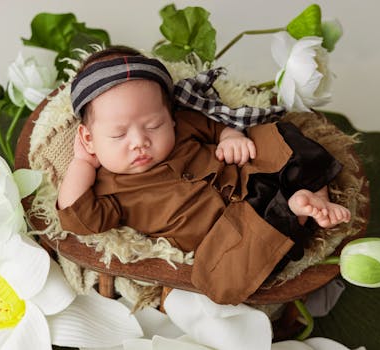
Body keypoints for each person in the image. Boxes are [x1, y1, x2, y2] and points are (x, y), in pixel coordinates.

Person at [57, 46, 350, 305]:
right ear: (88, 138)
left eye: (153, 125)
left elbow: (215, 126)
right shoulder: (109, 189)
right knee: (221, 279)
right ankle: (295, 207)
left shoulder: (183, 125)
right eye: (119, 134)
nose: (139, 141)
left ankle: (313, 193)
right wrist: (81, 163)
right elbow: (77, 219)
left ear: (169, 116)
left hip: (251, 175)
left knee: (280, 136)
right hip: (230, 233)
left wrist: (230, 137)